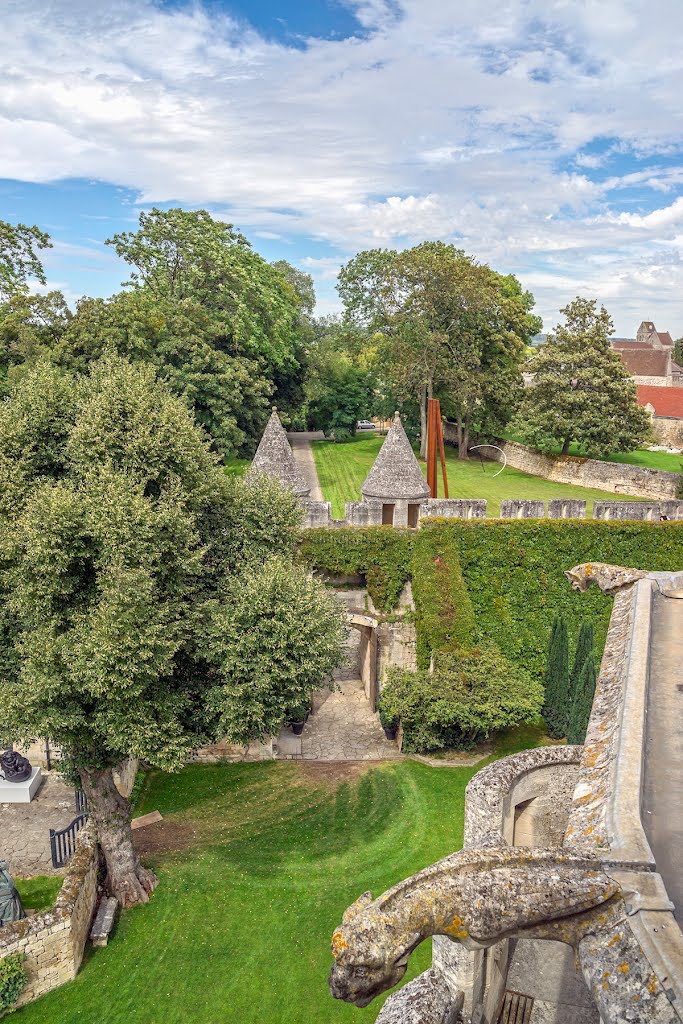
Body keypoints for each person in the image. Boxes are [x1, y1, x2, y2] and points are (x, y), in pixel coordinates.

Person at [0, 861, 26, 925]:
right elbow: (11, 885)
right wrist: (4, 871)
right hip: (8, 912)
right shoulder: (5, 891)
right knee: (13, 893)